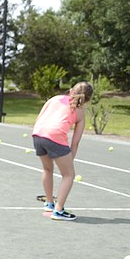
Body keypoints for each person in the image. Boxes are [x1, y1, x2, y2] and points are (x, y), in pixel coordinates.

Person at [31, 81, 94, 221]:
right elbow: (75, 142)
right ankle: (58, 210)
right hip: (54, 137)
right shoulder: (81, 113)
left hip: (37, 134)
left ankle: (49, 203)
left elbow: (38, 118)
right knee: (69, 175)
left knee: (47, 169)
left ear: (71, 91)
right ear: (88, 99)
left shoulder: (54, 99)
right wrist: (69, 161)